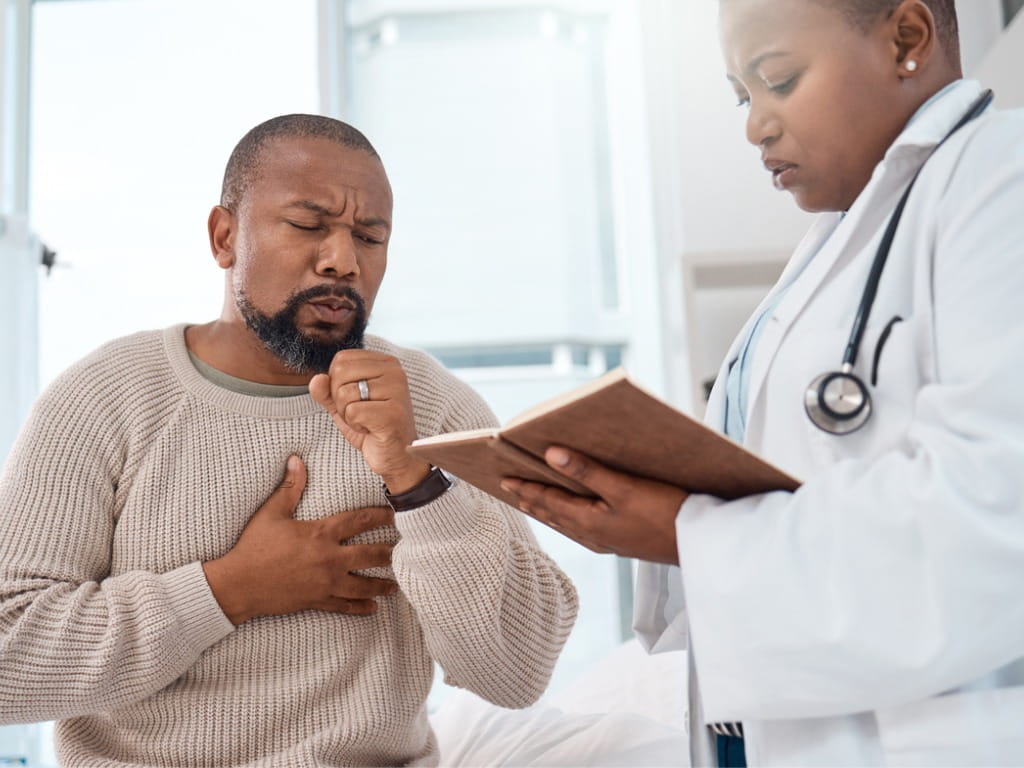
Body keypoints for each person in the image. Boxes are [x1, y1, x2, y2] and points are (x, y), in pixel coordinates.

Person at [500, 0, 1024, 765]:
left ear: (906, 39)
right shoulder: (835, 246)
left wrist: (686, 531)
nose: (756, 127)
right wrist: (656, 514)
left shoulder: (1000, 178)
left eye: (778, 81)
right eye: (744, 97)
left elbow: (996, 513)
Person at [0, 114, 578, 767]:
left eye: (370, 236)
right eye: (308, 225)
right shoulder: (104, 397)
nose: (343, 260)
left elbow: (519, 673)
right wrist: (229, 589)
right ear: (224, 237)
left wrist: (418, 484)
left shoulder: (428, 402)